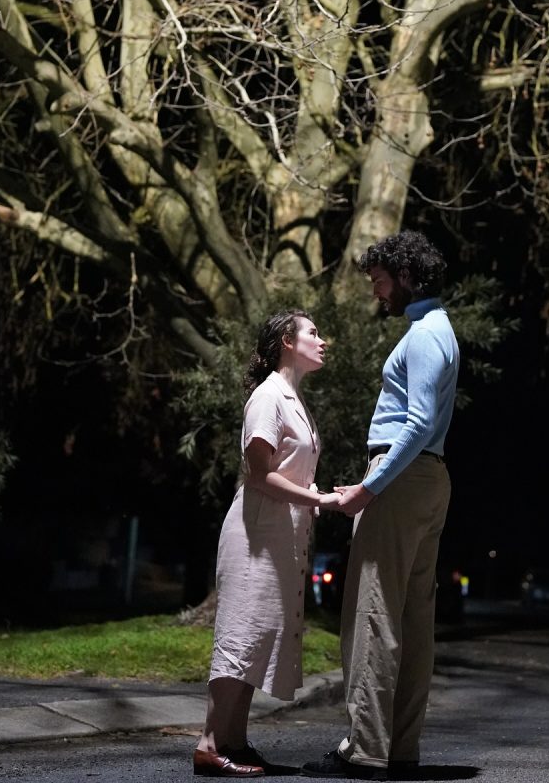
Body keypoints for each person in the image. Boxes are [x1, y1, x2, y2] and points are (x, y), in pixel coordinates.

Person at [303, 231, 460, 781]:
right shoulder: (439, 329)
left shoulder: (422, 336)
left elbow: (415, 424)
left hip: (399, 480)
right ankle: (400, 749)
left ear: (407, 276)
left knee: (372, 612)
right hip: (429, 480)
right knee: (414, 618)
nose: (377, 294)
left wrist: (368, 489)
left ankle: (364, 750)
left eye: (380, 282)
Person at [194, 310, 341, 778]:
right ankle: (210, 743)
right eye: (312, 333)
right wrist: (322, 498)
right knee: (240, 633)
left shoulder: (293, 398)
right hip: (256, 533)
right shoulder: (268, 396)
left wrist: (315, 500)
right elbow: (260, 474)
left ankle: (235, 741)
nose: (322, 340)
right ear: (285, 341)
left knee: (258, 637)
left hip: (283, 533)